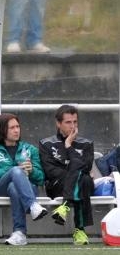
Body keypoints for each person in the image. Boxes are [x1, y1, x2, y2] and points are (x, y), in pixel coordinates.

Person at [0, 113, 48, 246]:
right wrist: (14, 170)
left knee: (14, 188)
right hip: (1, 189)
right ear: (2, 130)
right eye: (12, 127)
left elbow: (41, 177)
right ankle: (33, 205)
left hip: (28, 188)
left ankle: (20, 233)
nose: (16, 130)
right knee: (16, 172)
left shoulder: (30, 149)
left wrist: (32, 170)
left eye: (17, 126)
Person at [39, 104, 94, 245]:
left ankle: (64, 206)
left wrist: (69, 145)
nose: (73, 126)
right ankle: (80, 230)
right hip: (56, 186)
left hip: (78, 185)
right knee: (84, 179)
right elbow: (50, 171)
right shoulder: (46, 144)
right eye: (68, 122)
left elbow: (86, 166)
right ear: (58, 123)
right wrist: (74, 170)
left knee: (85, 180)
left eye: (75, 122)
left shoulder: (86, 144)